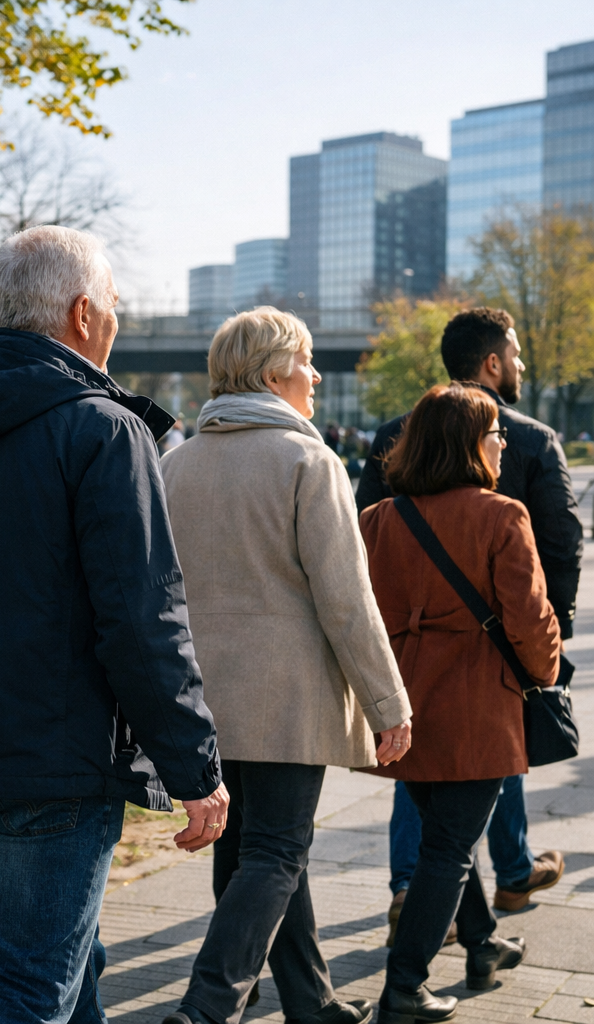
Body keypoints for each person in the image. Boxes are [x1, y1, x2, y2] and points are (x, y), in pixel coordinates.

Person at [0, 225, 228, 1024]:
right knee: (29, 988)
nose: (118, 322)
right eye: (117, 308)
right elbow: (142, 617)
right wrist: (195, 767)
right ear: (84, 311)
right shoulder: (103, 429)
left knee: (67, 961)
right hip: (57, 760)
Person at [160, 308, 412, 1024]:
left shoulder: (176, 463)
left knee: (250, 849)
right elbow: (346, 598)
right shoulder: (307, 460)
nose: (316, 376)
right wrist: (389, 703)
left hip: (203, 696)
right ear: (274, 375)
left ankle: (311, 1002)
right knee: (275, 852)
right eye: (306, 362)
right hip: (287, 699)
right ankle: (207, 1008)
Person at [357, 308, 579, 928]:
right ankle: (418, 961)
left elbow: (362, 555)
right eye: (514, 354)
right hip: (502, 651)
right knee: (481, 775)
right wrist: (545, 650)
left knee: (426, 775)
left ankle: (452, 901)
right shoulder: (531, 441)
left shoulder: (392, 434)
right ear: (491, 361)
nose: (521, 365)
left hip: (406, 658)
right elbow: (561, 548)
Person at [361, 383, 561, 1024]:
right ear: (470, 444)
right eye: (495, 433)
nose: (502, 443)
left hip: (402, 709)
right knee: (447, 849)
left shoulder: (378, 519)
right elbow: (530, 622)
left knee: (447, 836)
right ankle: (405, 986)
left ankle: (482, 946)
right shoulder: (502, 515)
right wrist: (546, 673)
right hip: (477, 708)